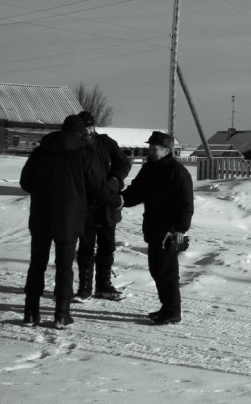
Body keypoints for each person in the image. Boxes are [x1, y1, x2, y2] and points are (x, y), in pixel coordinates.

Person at [20, 114, 114, 329]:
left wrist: (43, 190)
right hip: (69, 218)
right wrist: (116, 200)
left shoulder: (41, 151)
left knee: (37, 265)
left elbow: (25, 182)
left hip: (41, 216)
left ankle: (30, 314)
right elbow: (98, 187)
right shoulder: (85, 153)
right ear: (81, 133)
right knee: (64, 267)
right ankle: (61, 315)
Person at [121, 131, 193, 325]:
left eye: (154, 149)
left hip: (168, 231)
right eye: (150, 148)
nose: (150, 151)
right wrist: (120, 200)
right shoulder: (150, 168)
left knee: (167, 272)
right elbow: (136, 191)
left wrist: (180, 229)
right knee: (157, 270)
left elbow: (186, 204)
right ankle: (166, 307)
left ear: (166, 150)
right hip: (153, 227)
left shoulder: (177, 172)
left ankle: (172, 311)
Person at [74, 111, 132, 302]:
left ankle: (103, 284)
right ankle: (84, 288)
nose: (88, 131)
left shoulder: (106, 143)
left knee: (107, 248)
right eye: (84, 128)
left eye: (90, 127)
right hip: (86, 207)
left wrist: (115, 179)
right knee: (86, 249)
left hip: (108, 206)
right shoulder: (75, 146)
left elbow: (124, 161)